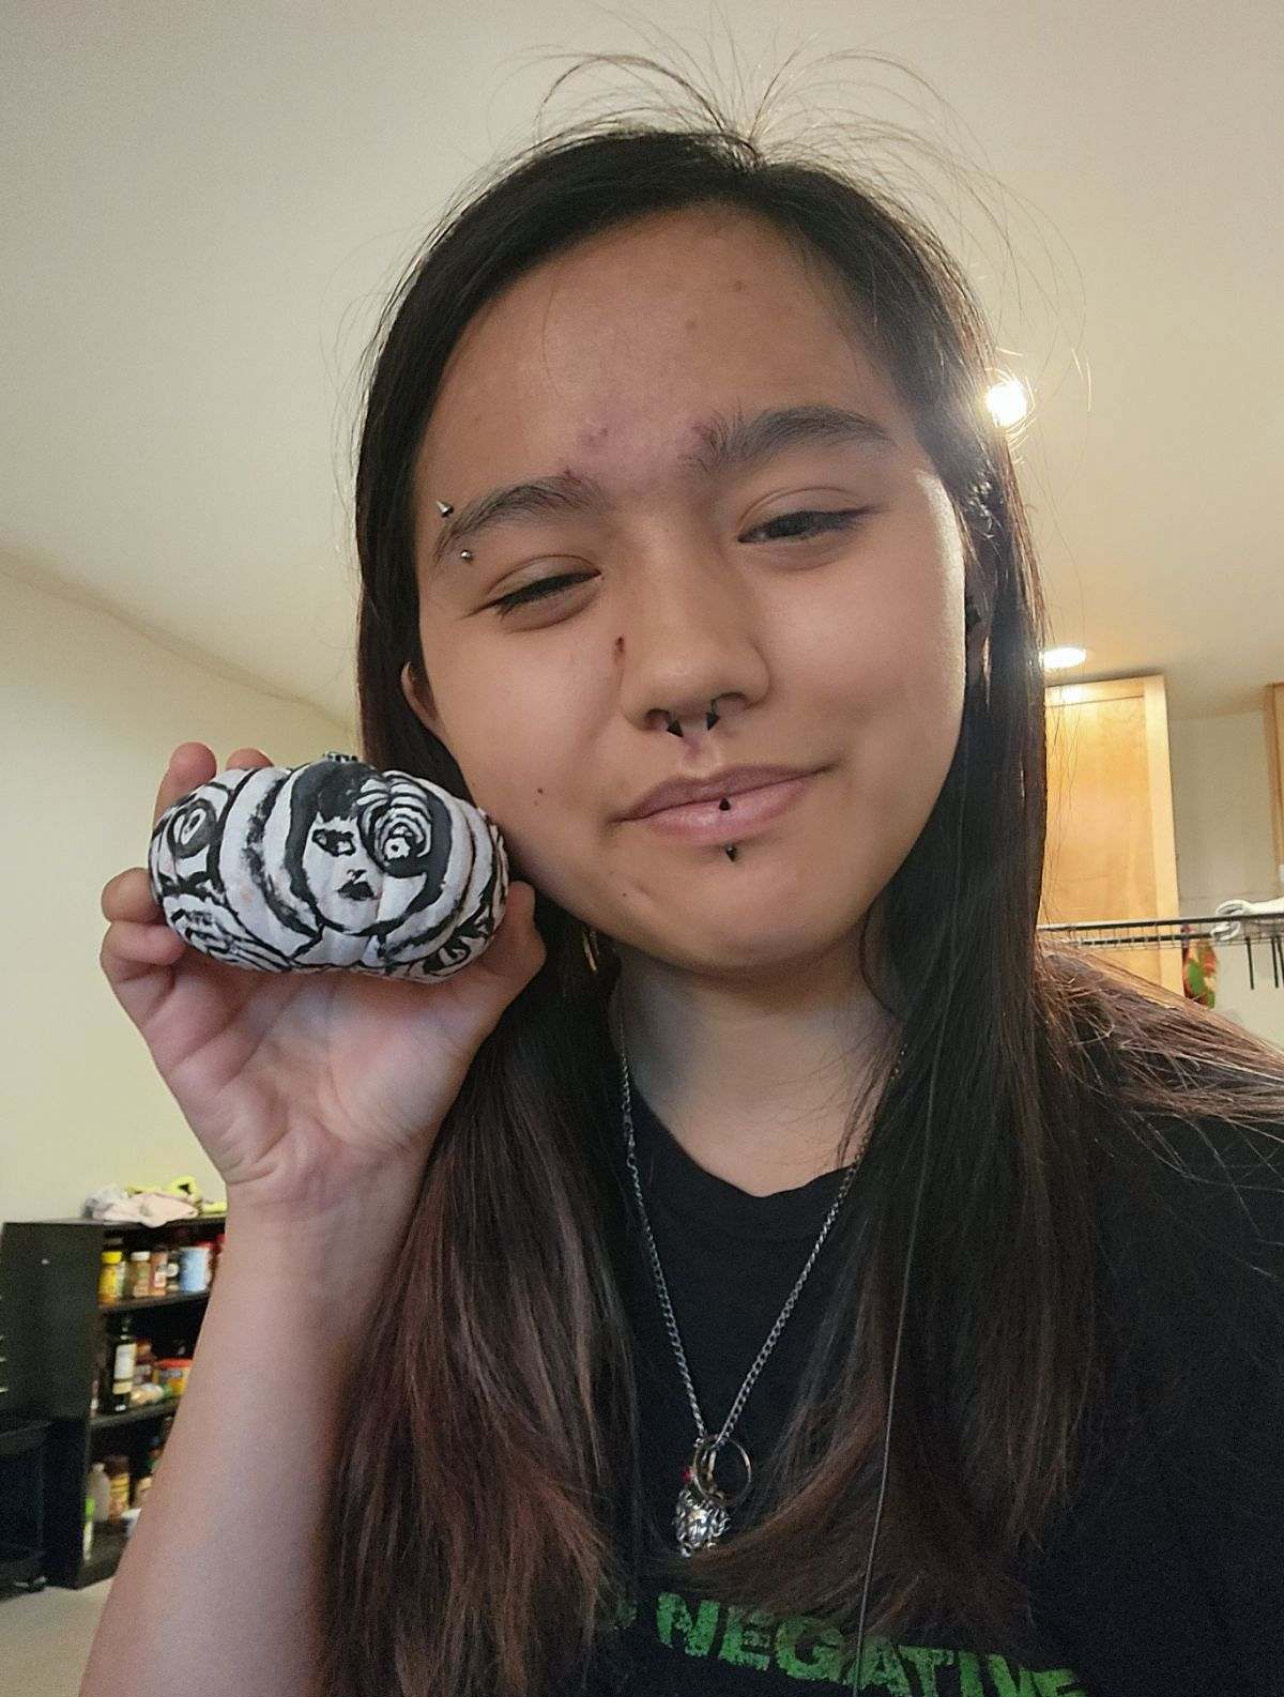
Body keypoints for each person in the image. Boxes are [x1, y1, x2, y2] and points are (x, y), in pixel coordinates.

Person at [90, 57, 1284, 1697]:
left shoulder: (1242, 1225)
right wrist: (310, 1213)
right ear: (427, 699)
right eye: (543, 579)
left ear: (976, 567)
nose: (692, 667)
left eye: (796, 519)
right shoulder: (400, 1201)